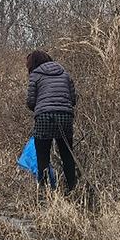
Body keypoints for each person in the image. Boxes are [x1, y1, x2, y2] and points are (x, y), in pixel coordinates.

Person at [26, 50, 77, 193]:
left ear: (33, 63)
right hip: (65, 117)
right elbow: (73, 99)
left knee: (42, 157)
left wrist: (41, 108)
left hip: (44, 117)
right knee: (67, 156)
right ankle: (72, 189)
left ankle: (45, 192)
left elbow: (30, 102)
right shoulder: (65, 74)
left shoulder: (35, 75)